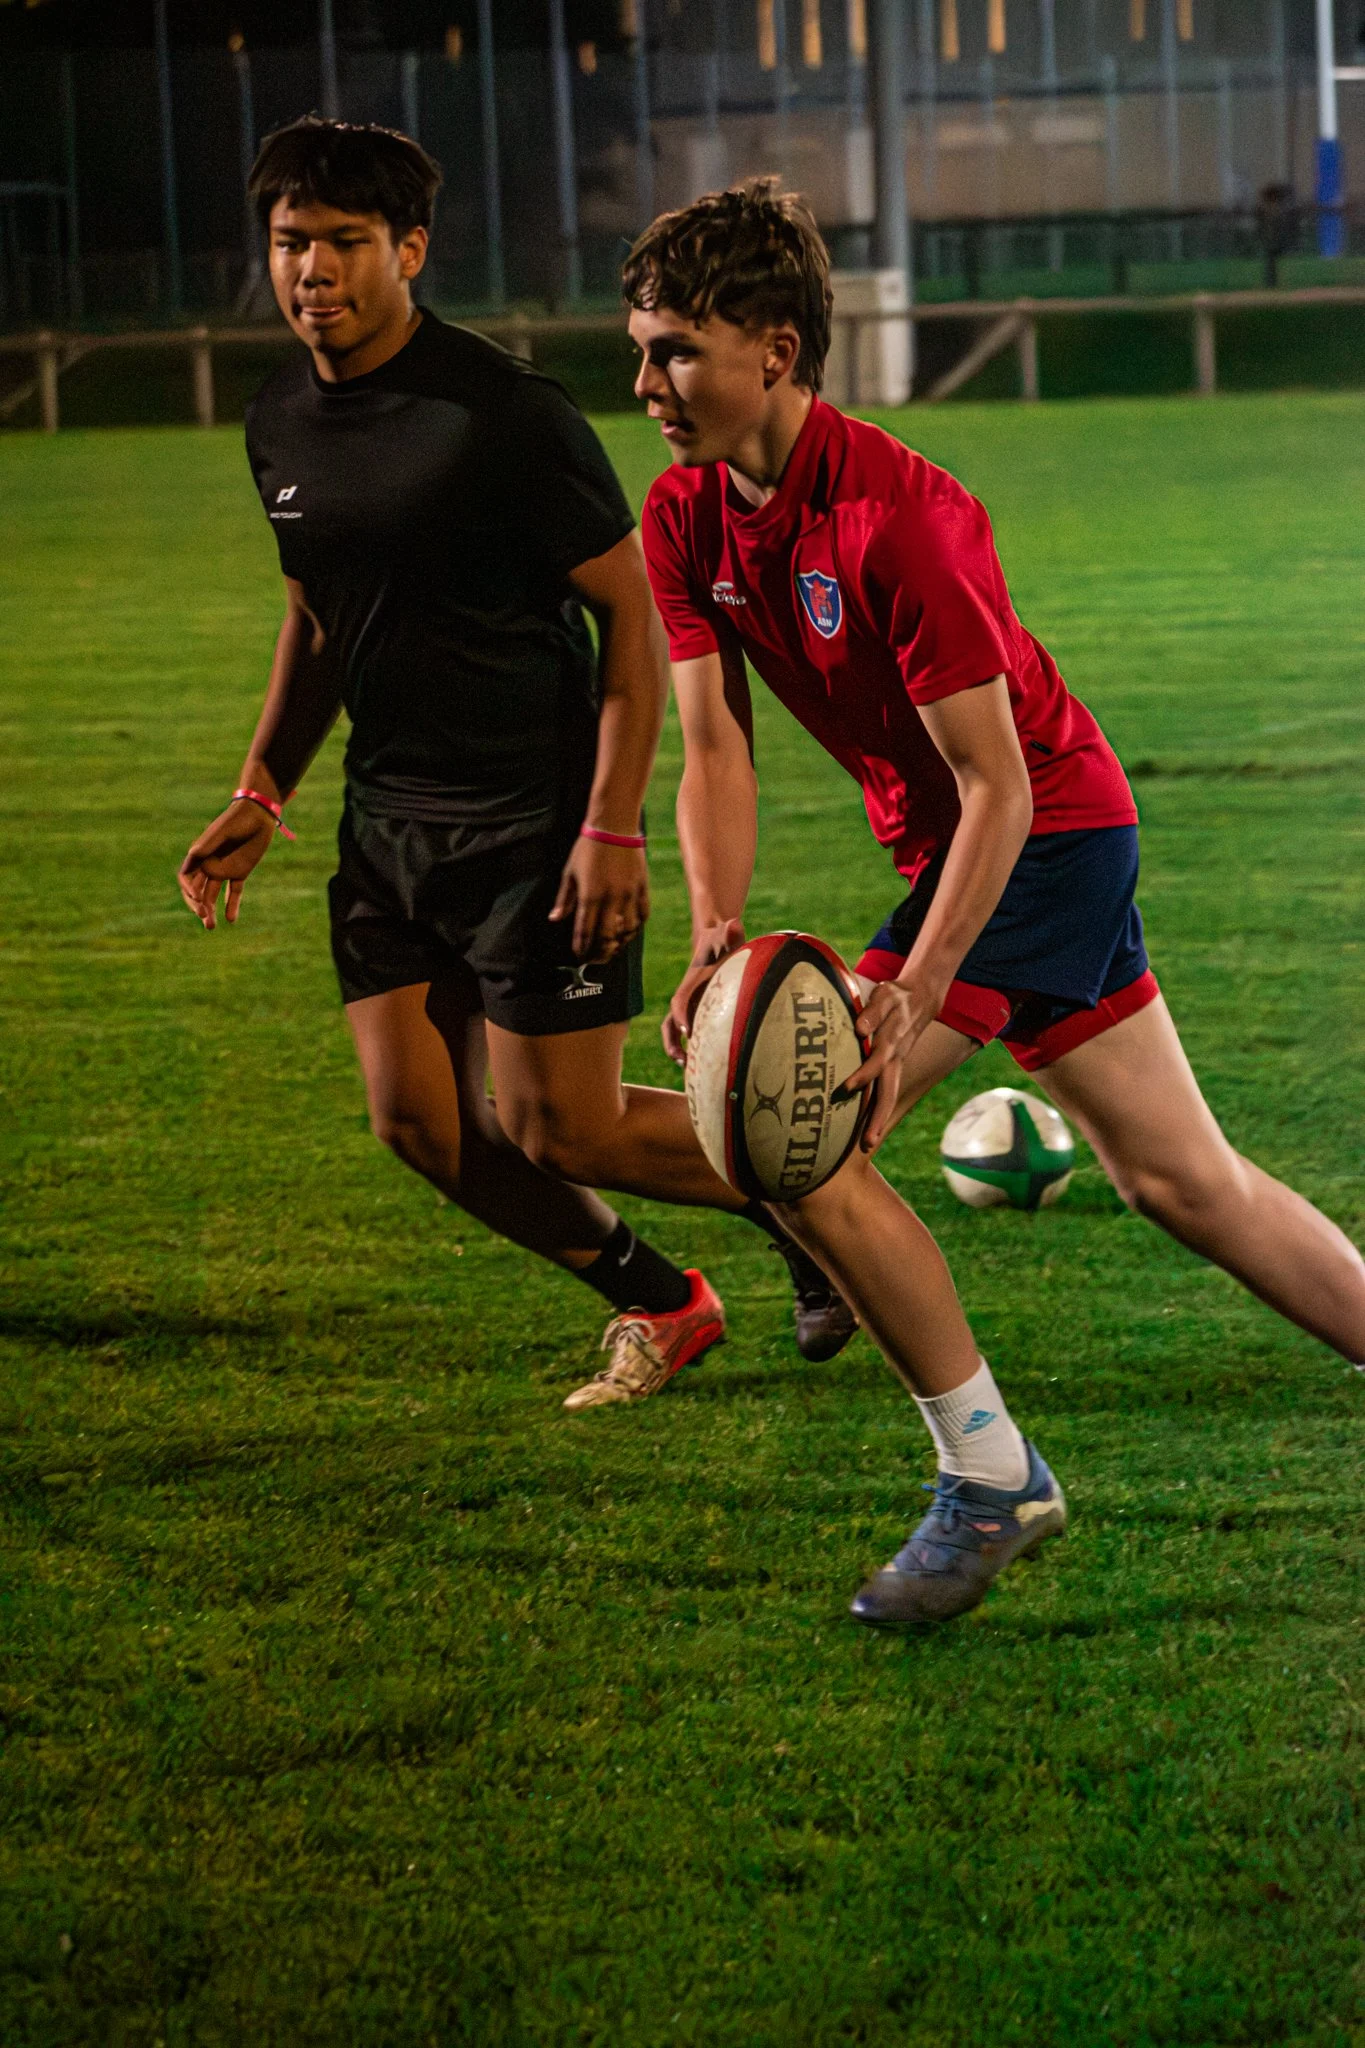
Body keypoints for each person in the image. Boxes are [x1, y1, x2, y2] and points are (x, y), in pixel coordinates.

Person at [624, 177, 1365, 1627]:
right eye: (641, 347)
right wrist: (716, 935)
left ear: (776, 350)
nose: (645, 382)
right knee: (1180, 1185)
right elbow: (713, 743)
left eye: (675, 350)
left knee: (812, 1133)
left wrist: (906, 990)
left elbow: (1001, 787)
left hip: (1044, 834)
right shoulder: (683, 517)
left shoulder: (905, 518)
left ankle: (990, 1475)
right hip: (985, 847)